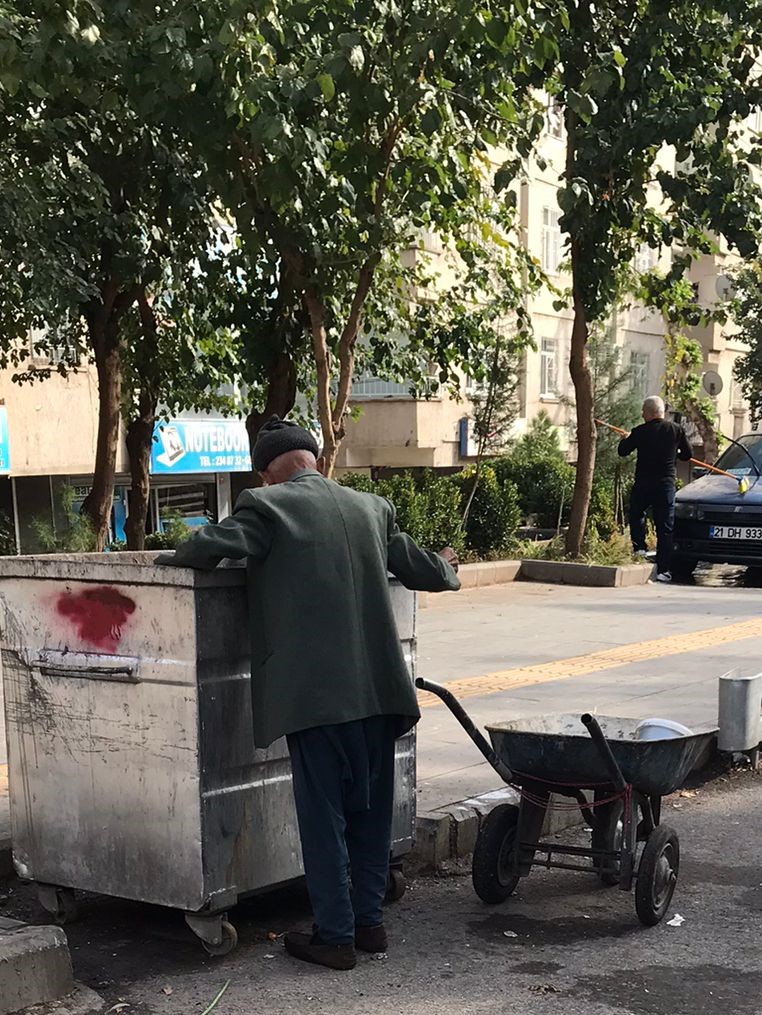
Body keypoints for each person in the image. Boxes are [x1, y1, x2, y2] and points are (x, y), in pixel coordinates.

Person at [156, 416, 460, 970]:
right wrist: (449, 568)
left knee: (324, 819)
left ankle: (336, 937)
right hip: (382, 693)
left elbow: (209, 547)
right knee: (370, 814)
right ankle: (369, 925)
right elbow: (426, 571)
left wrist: (171, 556)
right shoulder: (371, 507)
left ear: (267, 472)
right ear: (313, 460)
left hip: (317, 700)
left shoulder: (266, 506)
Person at [618, 395, 693, 583]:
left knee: (637, 514)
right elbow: (687, 455)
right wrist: (674, 452)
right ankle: (663, 569)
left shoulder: (639, 431)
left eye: (643, 411)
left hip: (643, 483)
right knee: (665, 526)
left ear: (649, 412)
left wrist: (626, 438)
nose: (642, 415)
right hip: (665, 484)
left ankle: (640, 549)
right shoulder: (676, 430)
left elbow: (623, 451)